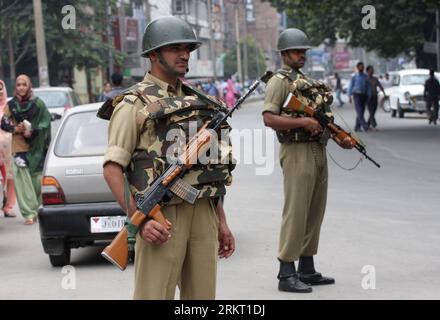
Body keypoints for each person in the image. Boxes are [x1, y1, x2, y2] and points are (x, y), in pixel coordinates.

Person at [102, 16, 235, 300]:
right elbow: (113, 169)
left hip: (203, 212)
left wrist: (221, 221)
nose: (184, 54)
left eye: (187, 48)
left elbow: (206, 170)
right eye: (175, 47)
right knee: (154, 295)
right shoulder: (133, 105)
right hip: (160, 216)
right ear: (153, 54)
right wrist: (139, 220)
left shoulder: (201, 102)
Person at [262, 28, 354, 293]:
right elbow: (268, 117)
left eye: (303, 51)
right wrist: (303, 121)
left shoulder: (305, 80)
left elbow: (323, 119)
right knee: (296, 211)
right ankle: (285, 272)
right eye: (296, 51)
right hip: (296, 152)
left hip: (317, 150)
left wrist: (340, 139)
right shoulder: (279, 81)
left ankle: (306, 267)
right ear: (284, 53)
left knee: (315, 211)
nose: (301, 55)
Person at [0, 75, 51, 225]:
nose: (21, 87)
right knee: (22, 181)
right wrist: (16, 129)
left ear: (28, 86)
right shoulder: (11, 105)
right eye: (18, 84)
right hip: (18, 147)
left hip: (36, 146)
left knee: (36, 180)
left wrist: (33, 131)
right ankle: (29, 213)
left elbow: (46, 122)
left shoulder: (38, 104)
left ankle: (36, 207)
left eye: (24, 84)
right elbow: (3, 123)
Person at [0, 80, 17, 217]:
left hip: (9, 150)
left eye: (1, 91)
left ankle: (8, 207)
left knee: (10, 178)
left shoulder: (10, 107)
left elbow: (15, 126)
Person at [348, 62, 372, 132]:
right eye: (360, 67)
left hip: (364, 95)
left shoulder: (365, 76)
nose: (362, 68)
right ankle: (365, 126)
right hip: (356, 95)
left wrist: (369, 95)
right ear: (358, 67)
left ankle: (357, 127)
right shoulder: (354, 76)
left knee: (362, 111)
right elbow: (351, 86)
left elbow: (369, 87)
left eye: (363, 67)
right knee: (359, 110)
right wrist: (349, 96)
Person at [366, 66, 386, 130]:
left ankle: (367, 124)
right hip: (368, 97)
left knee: (373, 111)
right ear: (368, 71)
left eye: (372, 70)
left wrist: (384, 93)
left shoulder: (375, 79)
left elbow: (380, 86)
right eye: (370, 70)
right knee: (371, 111)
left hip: (374, 96)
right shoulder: (365, 79)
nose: (372, 71)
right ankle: (374, 124)